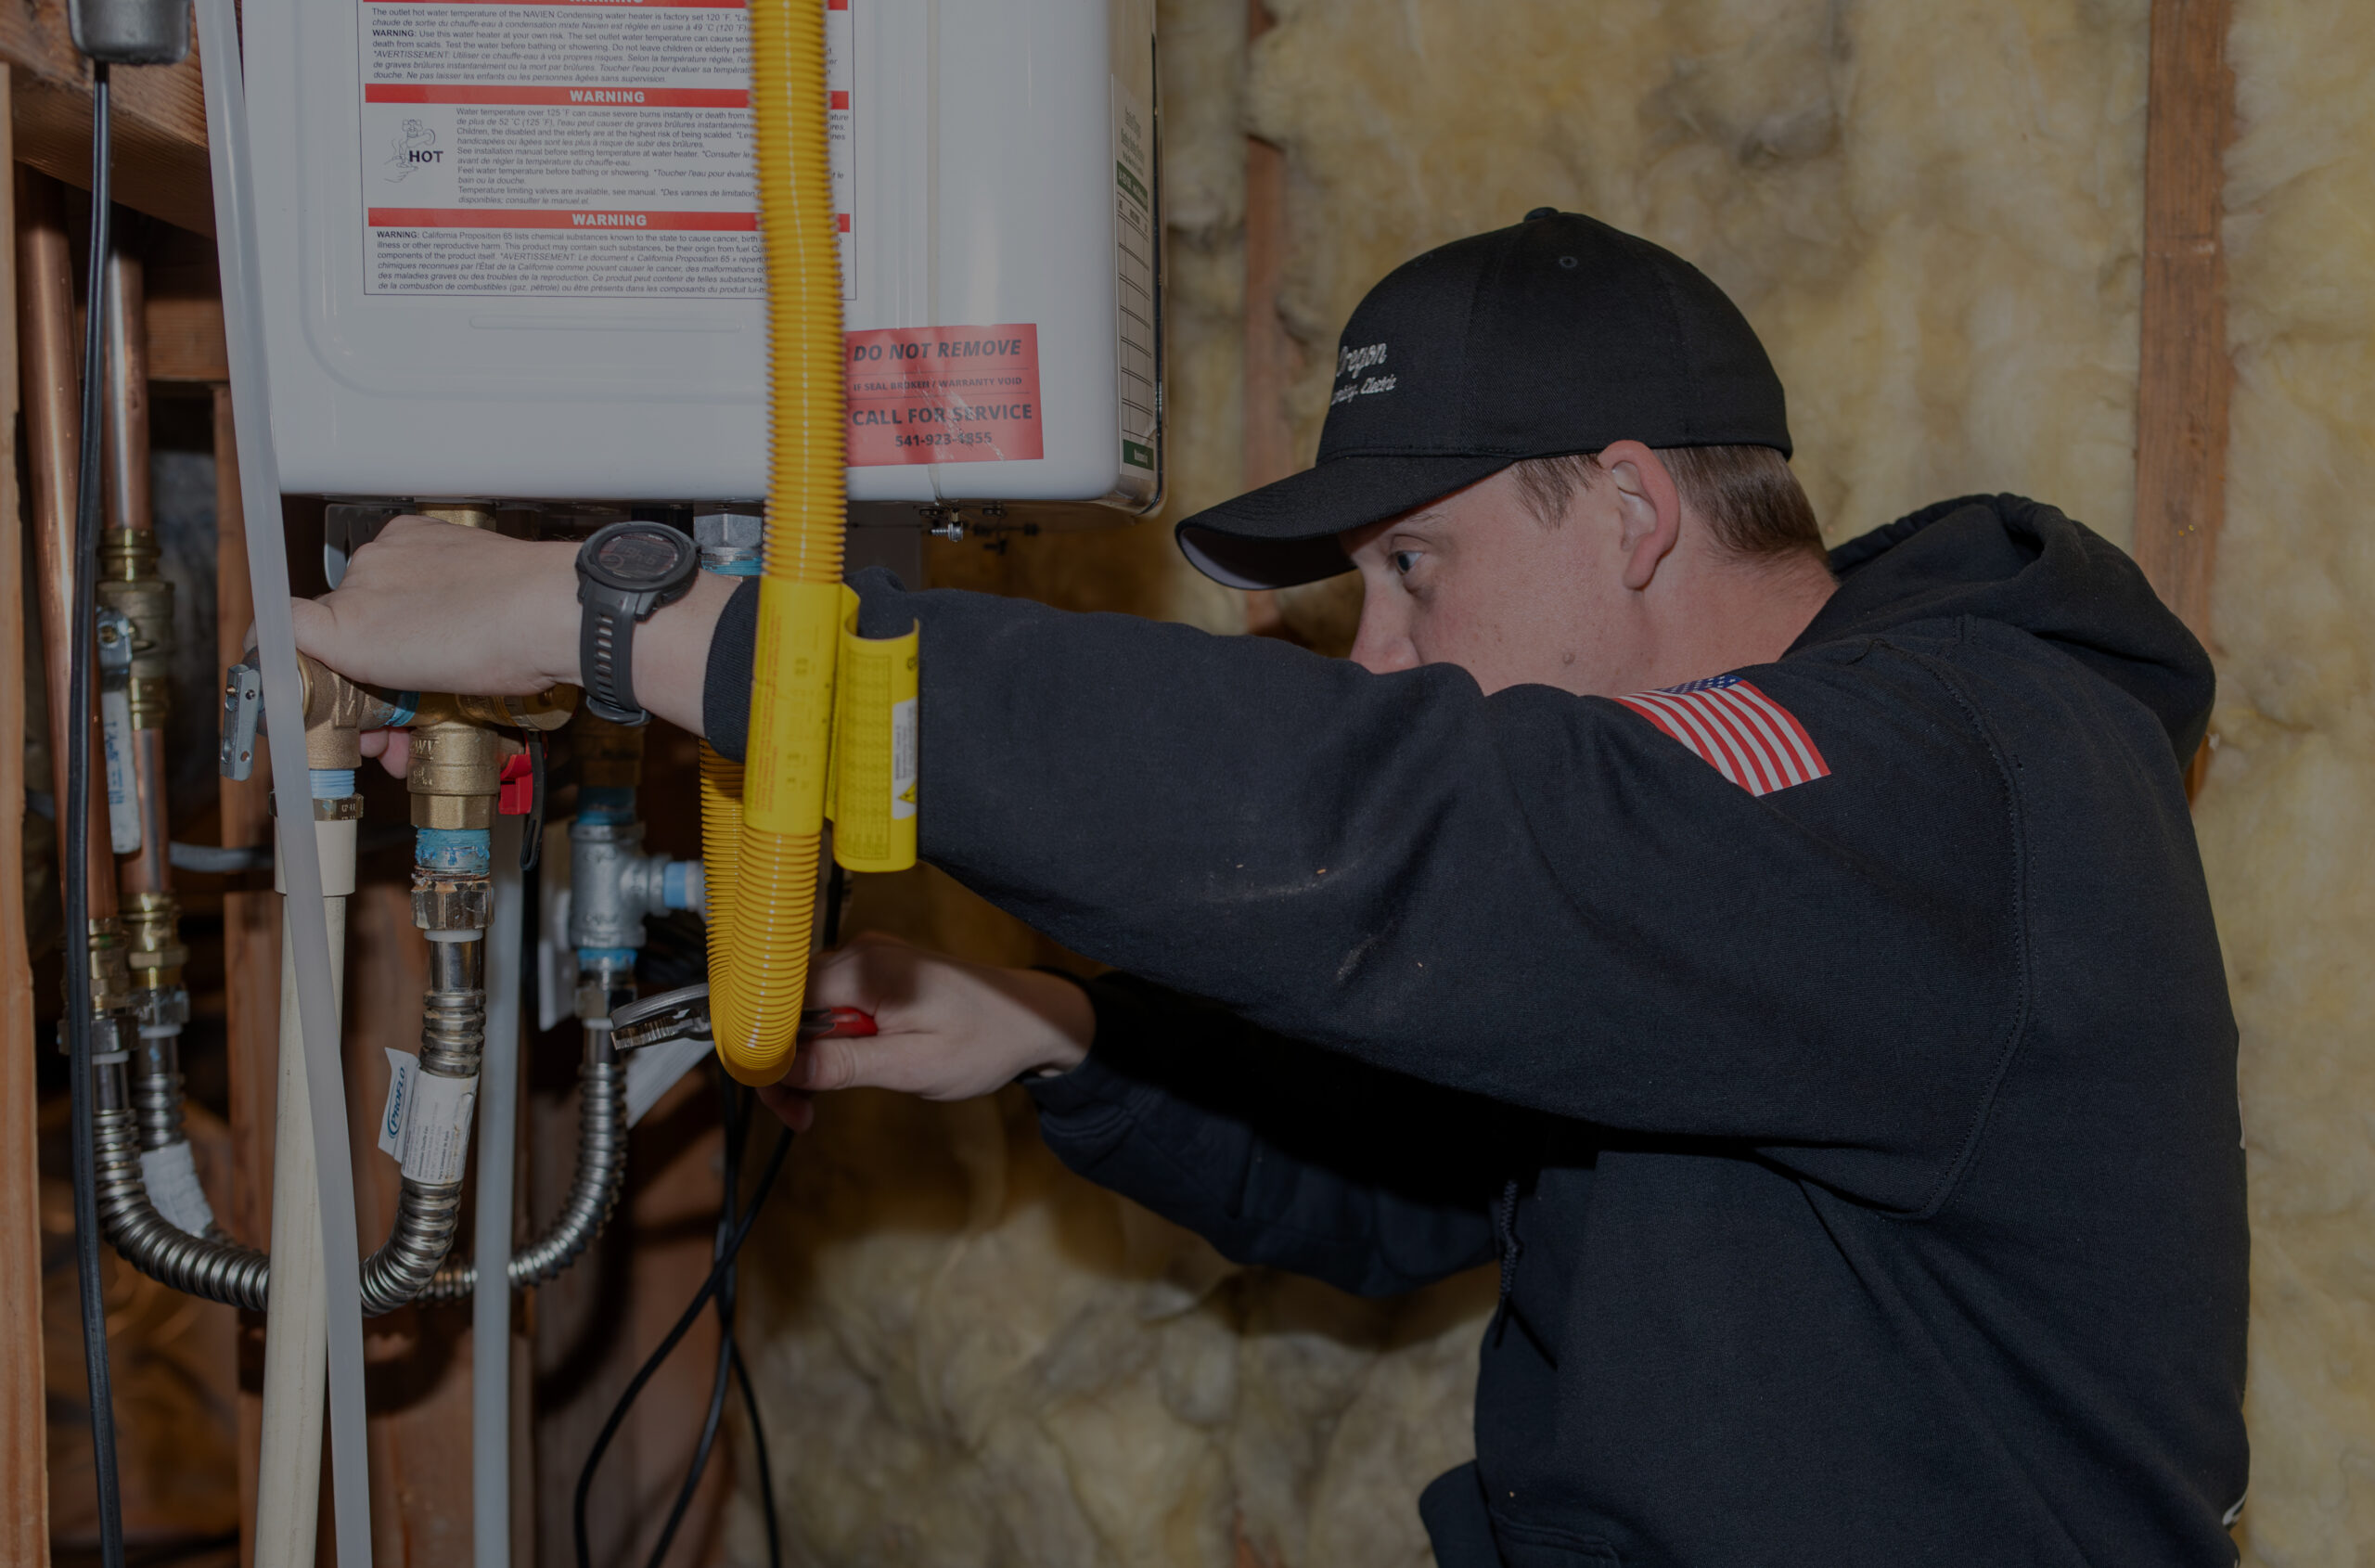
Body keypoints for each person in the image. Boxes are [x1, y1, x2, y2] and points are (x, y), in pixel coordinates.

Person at [296, 211, 2248, 1566]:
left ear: (1635, 512)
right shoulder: (1754, 876)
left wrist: (642, 617)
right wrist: (1056, 1035)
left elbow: (1412, 831)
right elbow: (1426, 1181)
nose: (1378, 648)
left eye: (1413, 566)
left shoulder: (1941, 772)